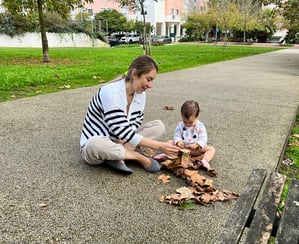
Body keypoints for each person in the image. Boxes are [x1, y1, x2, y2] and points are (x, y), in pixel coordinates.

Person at [80, 55, 180, 174]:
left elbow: (136, 122)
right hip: (99, 145)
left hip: (121, 141)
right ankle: (137, 157)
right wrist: (160, 146)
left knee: (158, 126)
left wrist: (121, 142)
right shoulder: (110, 92)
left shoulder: (140, 94)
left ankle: (118, 155)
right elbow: (121, 130)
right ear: (134, 74)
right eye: (148, 79)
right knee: (94, 144)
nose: (150, 85)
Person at [173, 100, 216, 175]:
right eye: (185, 121)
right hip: (183, 149)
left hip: (196, 150)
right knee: (169, 142)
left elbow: (203, 137)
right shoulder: (180, 125)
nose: (187, 124)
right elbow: (177, 135)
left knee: (211, 149)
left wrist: (197, 144)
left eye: (190, 122)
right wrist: (178, 141)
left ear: (198, 116)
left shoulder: (200, 126)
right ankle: (168, 155)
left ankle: (204, 160)